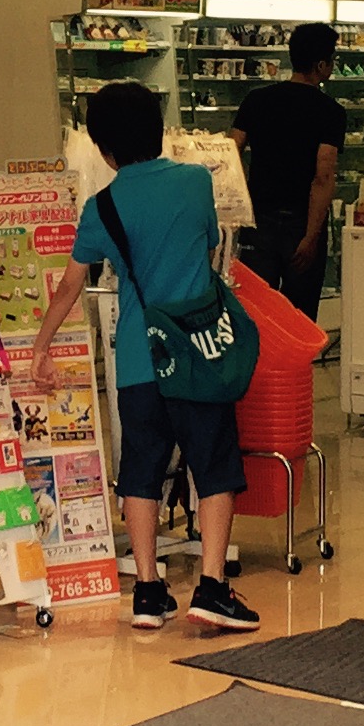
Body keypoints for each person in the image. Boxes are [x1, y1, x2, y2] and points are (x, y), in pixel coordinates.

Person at [30, 80, 259, 636]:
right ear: (158, 131)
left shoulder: (101, 207)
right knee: (214, 466)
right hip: (196, 354)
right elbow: (208, 246)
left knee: (140, 469)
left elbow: (70, 285)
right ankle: (212, 588)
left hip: (137, 357)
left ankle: (149, 592)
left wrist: (41, 347)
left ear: (104, 149)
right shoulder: (194, 182)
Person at [232, 21, 344, 318]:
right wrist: (311, 236)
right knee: (300, 315)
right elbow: (323, 176)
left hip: (257, 220)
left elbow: (231, 151)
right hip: (301, 221)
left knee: (256, 311)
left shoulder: (256, 100)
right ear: (321, 65)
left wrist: (243, 202)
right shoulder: (331, 111)